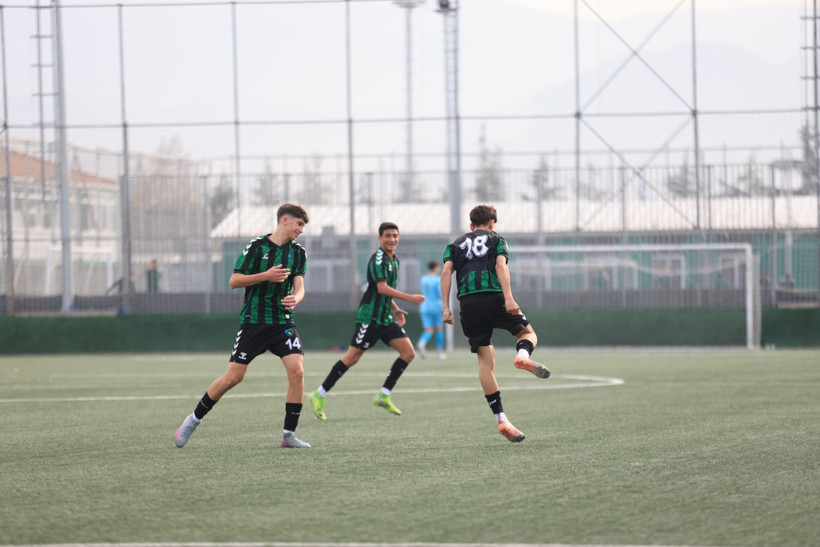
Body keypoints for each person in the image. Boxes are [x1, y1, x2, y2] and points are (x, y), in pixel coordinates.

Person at [174, 203, 313, 449]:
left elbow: (300, 287)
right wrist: (265, 276)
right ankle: (193, 420)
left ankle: (288, 435)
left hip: (282, 322)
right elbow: (234, 281)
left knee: (298, 371)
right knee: (233, 377)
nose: (301, 229)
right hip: (254, 322)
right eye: (299, 224)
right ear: (284, 220)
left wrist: (297, 298)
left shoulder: (298, 253)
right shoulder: (257, 247)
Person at [441, 204, 550, 443]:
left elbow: (446, 274)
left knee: (485, 359)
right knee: (527, 333)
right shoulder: (497, 239)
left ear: (471, 225)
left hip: (468, 304)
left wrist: (447, 308)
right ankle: (522, 355)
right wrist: (509, 298)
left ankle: (501, 418)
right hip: (494, 296)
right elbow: (501, 266)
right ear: (492, 223)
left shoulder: (454, 245)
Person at [308, 222, 425, 420]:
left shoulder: (394, 260)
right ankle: (318, 394)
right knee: (351, 358)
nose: (392, 239)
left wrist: (395, 310)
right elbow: (381, 288)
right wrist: (409, 298)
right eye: (387, 236)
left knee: (408, 353)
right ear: (380, 238)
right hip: (369, 318)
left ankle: (383, 395)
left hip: (384, 318)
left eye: (395, 236)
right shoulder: (378, 259)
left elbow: (384, 292)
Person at [417, 260, 446, 359]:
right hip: (435, 307)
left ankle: (422, 343)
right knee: (439, 329)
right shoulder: (437, 280)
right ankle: (438, 353)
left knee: (428, 330)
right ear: (436, 268)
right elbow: (439, 294)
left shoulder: (423, 279)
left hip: (424, 307)